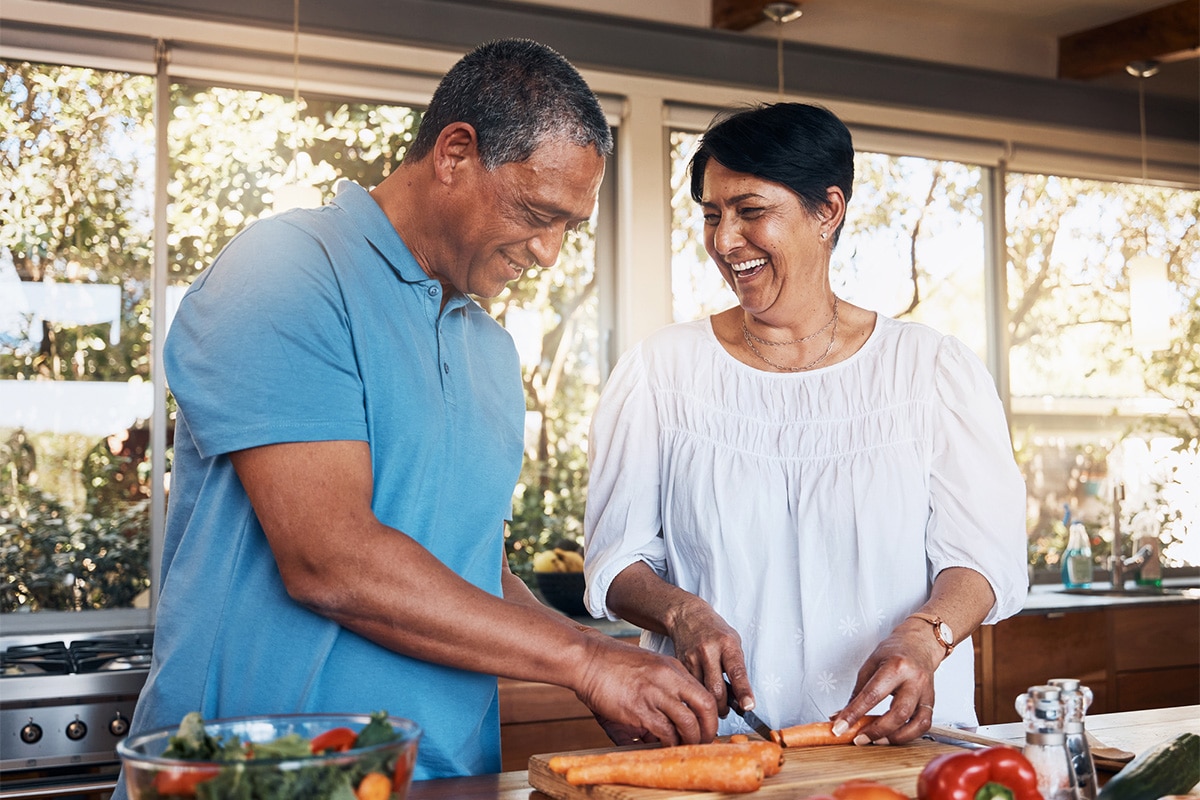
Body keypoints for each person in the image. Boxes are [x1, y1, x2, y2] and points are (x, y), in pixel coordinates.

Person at [117, 38, 716, 794]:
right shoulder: (287, 273)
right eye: (538, 213)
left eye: (569, 225)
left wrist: (597, 667)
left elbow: (471, 569)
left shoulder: (491, 351)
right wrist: (586, 660)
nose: (550, 252)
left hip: (443, 778)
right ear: (455, 153)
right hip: (253, 780)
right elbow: (329, 558)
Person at [583, 102, 1028, 748]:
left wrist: (927, 636)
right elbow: (616, 560)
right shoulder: (659, 374)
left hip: (895, 750)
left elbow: (984, 557)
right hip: (720, 752)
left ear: (828, 211)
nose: (725, 241)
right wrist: (682, 612)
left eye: (750, 211)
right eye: (712, 216)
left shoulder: (930, 370)